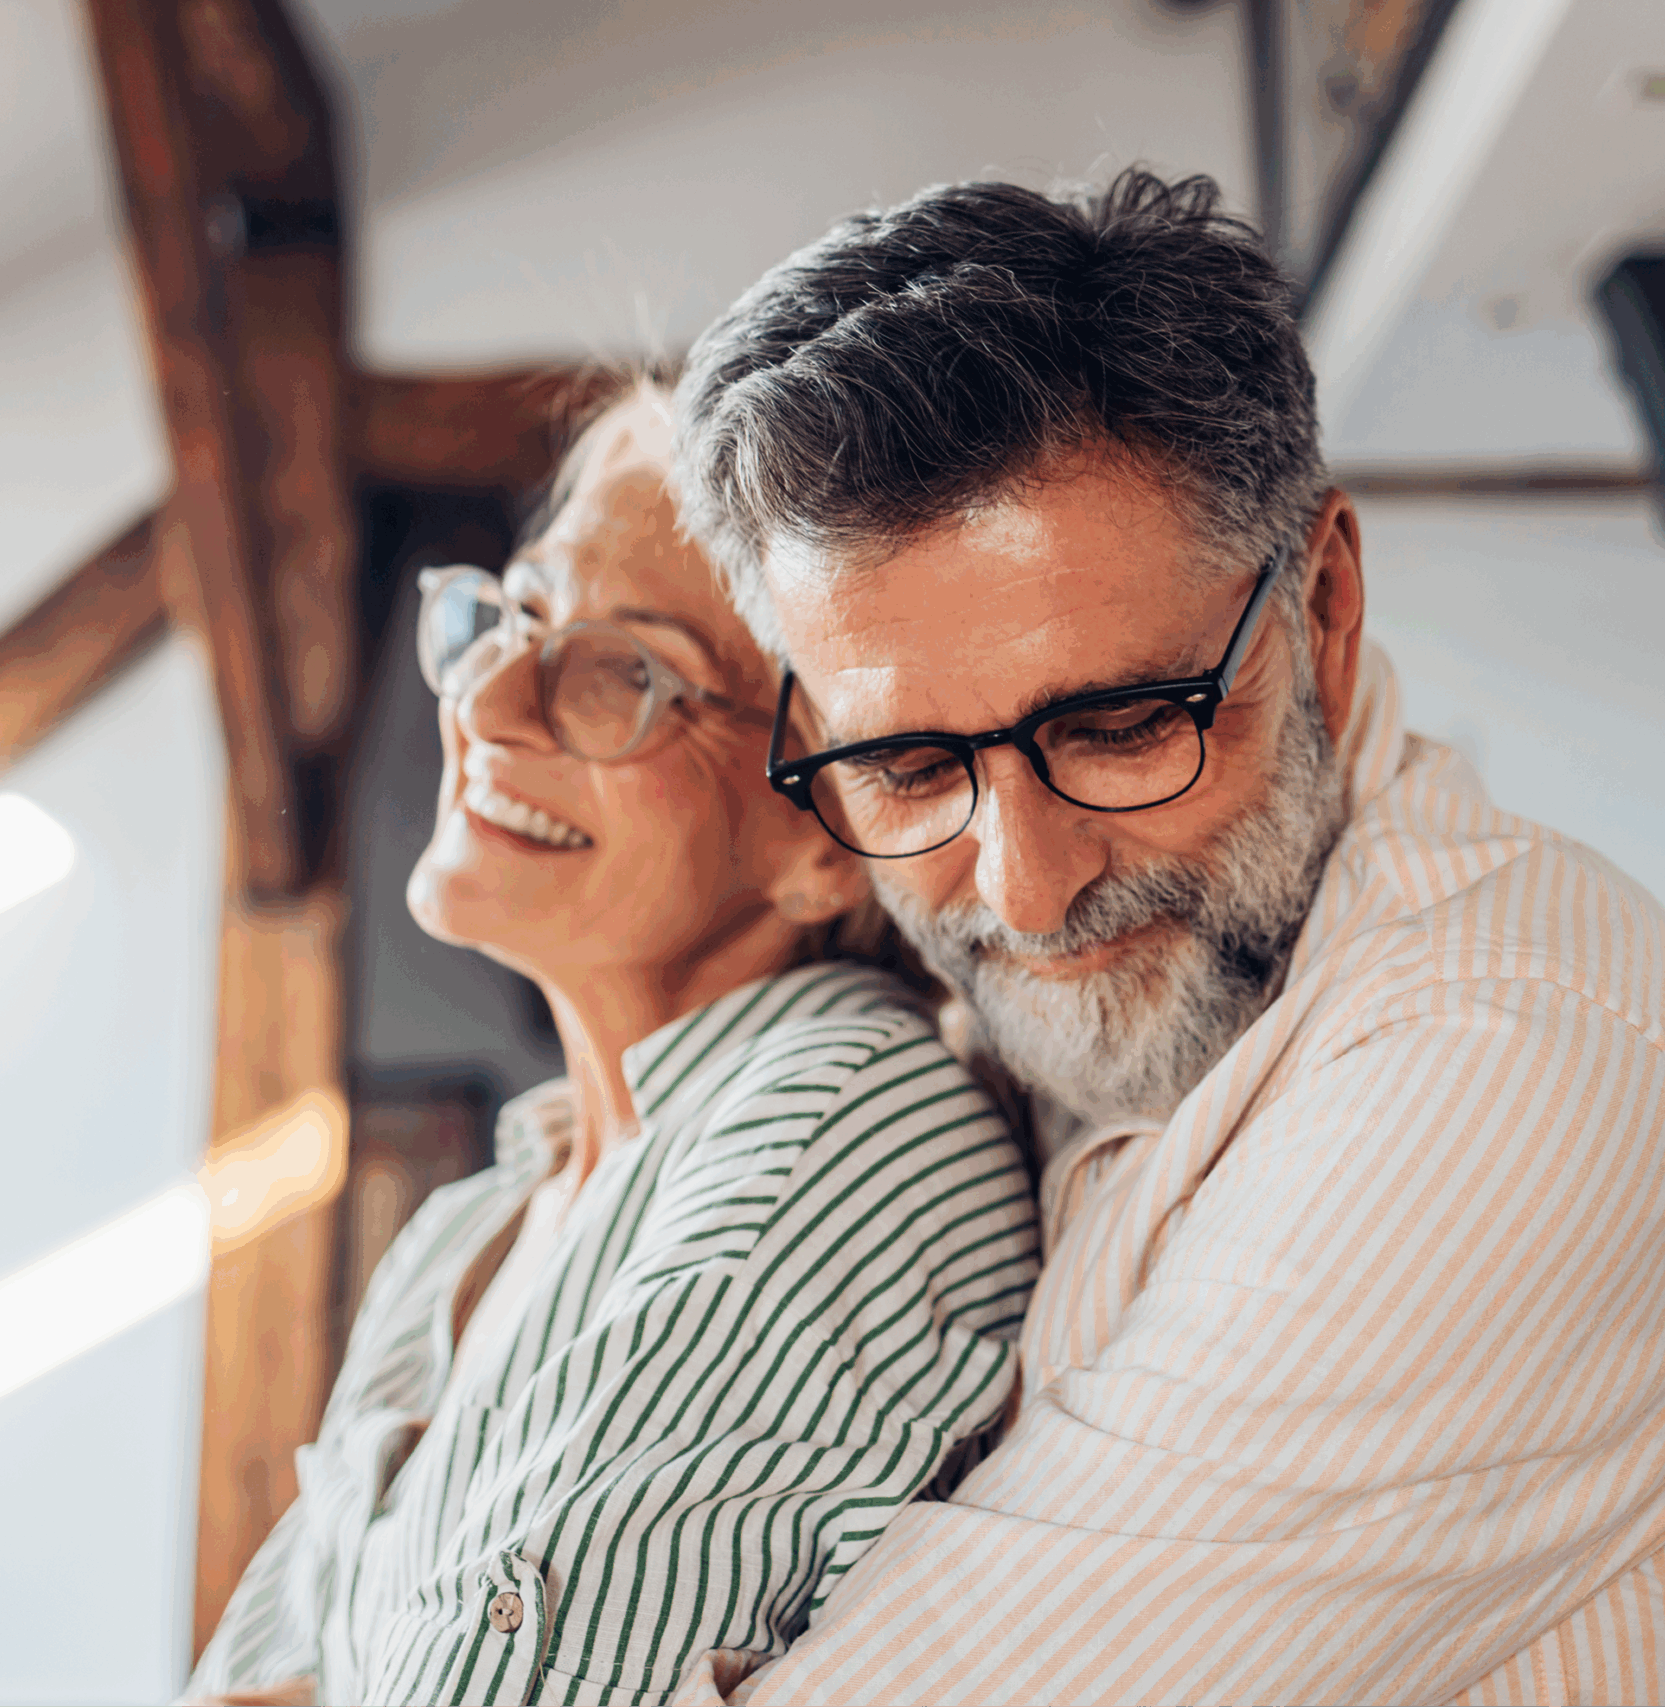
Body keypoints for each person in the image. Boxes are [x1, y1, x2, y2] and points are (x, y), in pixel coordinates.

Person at [664, 171, 1665, 1705]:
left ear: (1327, 604)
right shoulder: (1028, 1007)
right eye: (907, 766)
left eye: (1115, 726)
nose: (1023, 889)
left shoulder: (1516, 1062)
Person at [184, 386, 1039, 1706]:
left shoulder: (838, 1127)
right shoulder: (468, 1230)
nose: (494, 700)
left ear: (827, 836)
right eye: (521, 612)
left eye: (624, 670)